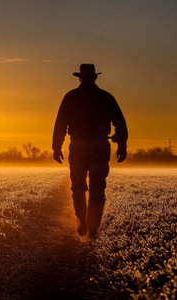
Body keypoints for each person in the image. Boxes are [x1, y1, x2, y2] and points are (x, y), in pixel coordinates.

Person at [52, 64, 128, 238]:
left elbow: (60, 125)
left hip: (78, 146)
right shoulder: (106, 97)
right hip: (100, 145)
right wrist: (122, 145)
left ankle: (83, 222)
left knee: (78, 187)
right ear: (95, 78)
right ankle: (92, 226)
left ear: (80, 78)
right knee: (97, 188)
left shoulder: (71, 97)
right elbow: (120, 122)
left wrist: (56, 147)